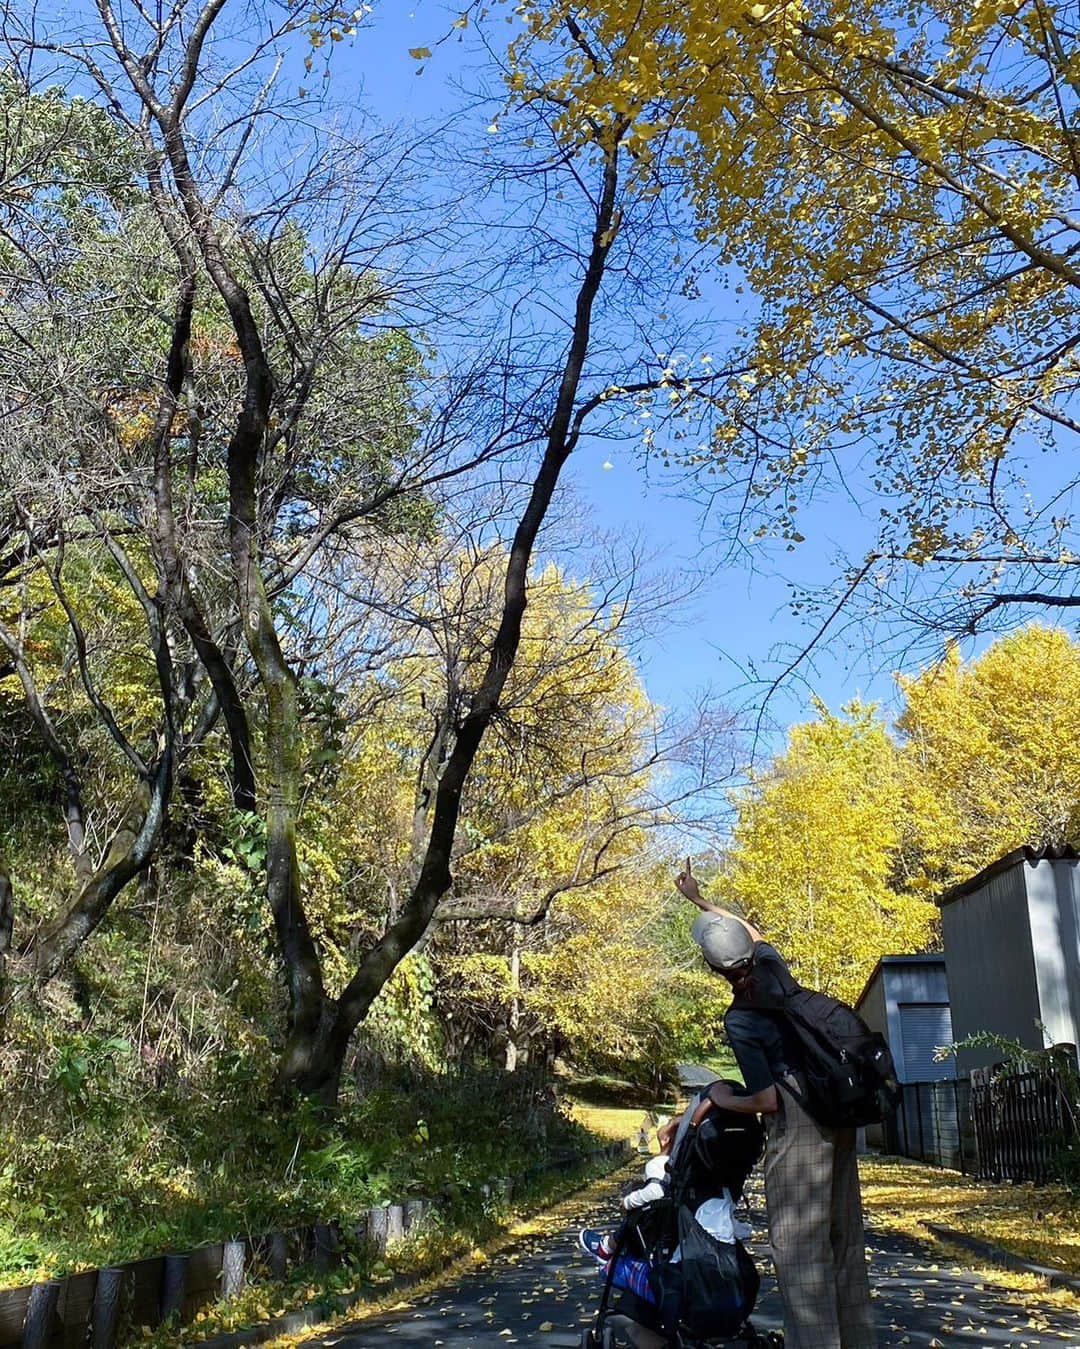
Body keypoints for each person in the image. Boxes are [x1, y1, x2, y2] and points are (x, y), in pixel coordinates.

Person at [660, 862, 878, 1349]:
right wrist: (700, 899)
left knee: (801, 1253)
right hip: (835, 1108)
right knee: (843, 1240)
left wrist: (720, 1096)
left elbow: (769, 1098)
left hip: (799, 1124)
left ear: (715, 969)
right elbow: (752, 933)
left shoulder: (741, 1018)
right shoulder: (773, 969)